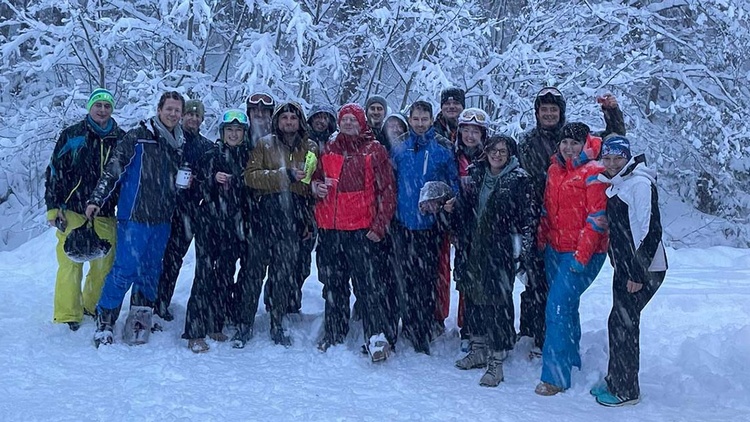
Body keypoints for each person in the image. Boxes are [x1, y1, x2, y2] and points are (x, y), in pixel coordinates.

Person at [517, 87, 625, 357]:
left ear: (561, 113)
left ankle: (554, 347)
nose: (549, 114)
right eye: (545, 110)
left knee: (560, 295)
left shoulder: (577, 139)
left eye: (554, 110)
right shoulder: (528, 141)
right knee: (535, 279)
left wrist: (611, 111)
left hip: (572, 225)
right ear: (537, 114)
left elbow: (613, 143)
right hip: (541, 216)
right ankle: (534, 334)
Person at [87, 91, 186, 347]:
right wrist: (97, 199)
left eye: (177, 110)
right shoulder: (138, 136)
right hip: (134, 217)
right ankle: (105, 319)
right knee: (125, 270)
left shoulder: (179, 142)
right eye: (169, 109)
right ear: (159, 109)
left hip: (162, 219)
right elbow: (113, 169)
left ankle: (140, 317)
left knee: (151, 270)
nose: (173, 114)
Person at [312, 103, 397, 362]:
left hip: (362, 231)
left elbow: (387, 191)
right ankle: (335, 332)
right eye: (344, 119)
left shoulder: (374, 150)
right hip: (331, 230)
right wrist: (315, 187)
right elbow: (315, 179)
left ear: (362, 123)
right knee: (334, 285)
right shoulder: (328, 148)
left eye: (353, 119)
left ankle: (376, 336)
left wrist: (380, 226)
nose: (348, 123)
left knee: (369, 287)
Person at [453, 135, 536, 387]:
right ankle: (478, 348)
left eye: (503, 151)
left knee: (498, 301)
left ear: (510, 153)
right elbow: (466, 207)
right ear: (486, 151)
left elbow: (528, 218)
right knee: (474, 297)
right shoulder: (476, 174)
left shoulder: (520, 180)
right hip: (473, 247)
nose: (497, 155)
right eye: (493, 150)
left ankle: (497, 360)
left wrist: (524, 252)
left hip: (500, 250)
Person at [591, 135, 667, 406]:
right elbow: (626, 223)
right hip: (624, 267)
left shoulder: (640, 184)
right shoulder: (620, 183)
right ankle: (616, 380)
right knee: (618, 322)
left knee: (625, 325)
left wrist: (637, 273)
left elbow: (651, 230)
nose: (611, 163)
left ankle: (626, 391)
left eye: (617, 158)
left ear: (628, 157)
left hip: (643, 269)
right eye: (607, 158)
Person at [535, 122, 608, 395]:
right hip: (555, 250)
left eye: (574, 143)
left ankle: (555, 376)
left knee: (556, 307)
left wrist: (581, 256)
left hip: (583, 253)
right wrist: (542, 240)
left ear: (585, 144)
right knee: (566, 307)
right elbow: (547, 209)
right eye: (565, 142)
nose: (568, 148)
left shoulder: (594, 173)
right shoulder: (554, 169)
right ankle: (571, 359)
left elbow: (597, 221)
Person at [44, 88, 125, 331]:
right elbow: (54, 171)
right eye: (98, 105)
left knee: (104, 264)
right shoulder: (72, 135)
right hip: (73, 210)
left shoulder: (120, 138)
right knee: (70, 262)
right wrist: (52, 207)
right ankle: (68, 313)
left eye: (107, 105)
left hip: (105, 212)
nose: (102, 110)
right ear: (90, 107)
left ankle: (92, 305)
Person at [244, 102, 318, 347]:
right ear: (278, 121)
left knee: (282, 274)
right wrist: (282, 175)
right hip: (265, 215)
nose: (289, 122)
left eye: (293, 118)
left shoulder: (310, 147)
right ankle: (245, 323)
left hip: (293, 217)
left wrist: (308, 220)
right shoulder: (264, 144)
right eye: (284, 118)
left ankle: (277, 322)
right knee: (254, 272)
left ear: (300, 122)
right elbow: (251, 177)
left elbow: (309, 187)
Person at [183, 109, 255, 353]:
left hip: (235, 226)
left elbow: (253, 191)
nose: (233, 134)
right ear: (222, 133)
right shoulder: (210, 155)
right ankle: (194, 331)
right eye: (229, 130)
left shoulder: (249, 157)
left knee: (225, 274)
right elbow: (195, 189)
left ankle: (215, 323)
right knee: (204, 274)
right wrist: (212, 179)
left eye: (237, 130)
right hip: (209, 225)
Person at [390, 100, 459, 354]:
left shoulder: (442, 147)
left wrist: (443, 202)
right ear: (410, 119)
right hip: (402, 223)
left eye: (424, 119)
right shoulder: (399, 147)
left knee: (426, 280)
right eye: (416, 119)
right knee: (403, 278)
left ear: (431, 120)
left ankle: (422, 328)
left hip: (429, 226)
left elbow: (453, 182)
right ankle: (407, 324)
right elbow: (390, 180)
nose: (420, 123)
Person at [151, 99, 213, 321]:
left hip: (190, 211)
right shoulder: (170, 139)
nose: (193, 119)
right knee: (154, 258)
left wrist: (198, 181)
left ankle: (162, 303)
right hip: (163, 208)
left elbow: (211, 180)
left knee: (174, 260)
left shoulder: (207, 147)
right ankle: (147, 303)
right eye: (189, 114)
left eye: (197, 116)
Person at [451, 108, 490, 350]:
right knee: (464, 278)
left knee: (484, 279)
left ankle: (483, 328)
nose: (470, 136)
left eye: (475, 131)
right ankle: (466, 328)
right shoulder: (454, 157)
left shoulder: (490, 157)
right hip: (462, 226)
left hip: (485, 227)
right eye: (466, 130)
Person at [432, 87, 465, 332]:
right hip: (440, 205)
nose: (452, 107)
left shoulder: (472, 132)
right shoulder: (433, 132)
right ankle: (437, 315)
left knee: (468, 269)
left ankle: (467, 321)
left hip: (466, 207)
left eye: (456, 103)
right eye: (448, 103)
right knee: (440, 266)